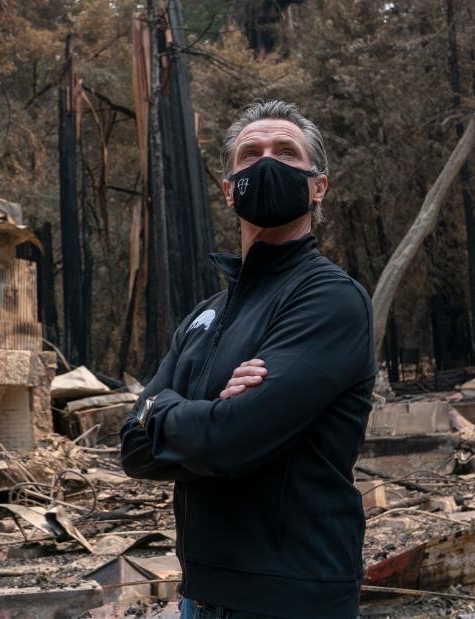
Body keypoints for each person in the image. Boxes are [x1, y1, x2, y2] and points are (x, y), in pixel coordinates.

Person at [120, 100, 376, 619]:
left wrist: (165, 407)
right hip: (201, 594)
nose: (266, 163)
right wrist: (202, 411)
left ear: (317, 186)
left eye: (286, 152)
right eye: (250, 154)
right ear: (228, 188)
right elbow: (132, 447)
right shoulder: (206, 315)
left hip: (291, 596)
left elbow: (231, 439)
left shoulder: (328, 299)